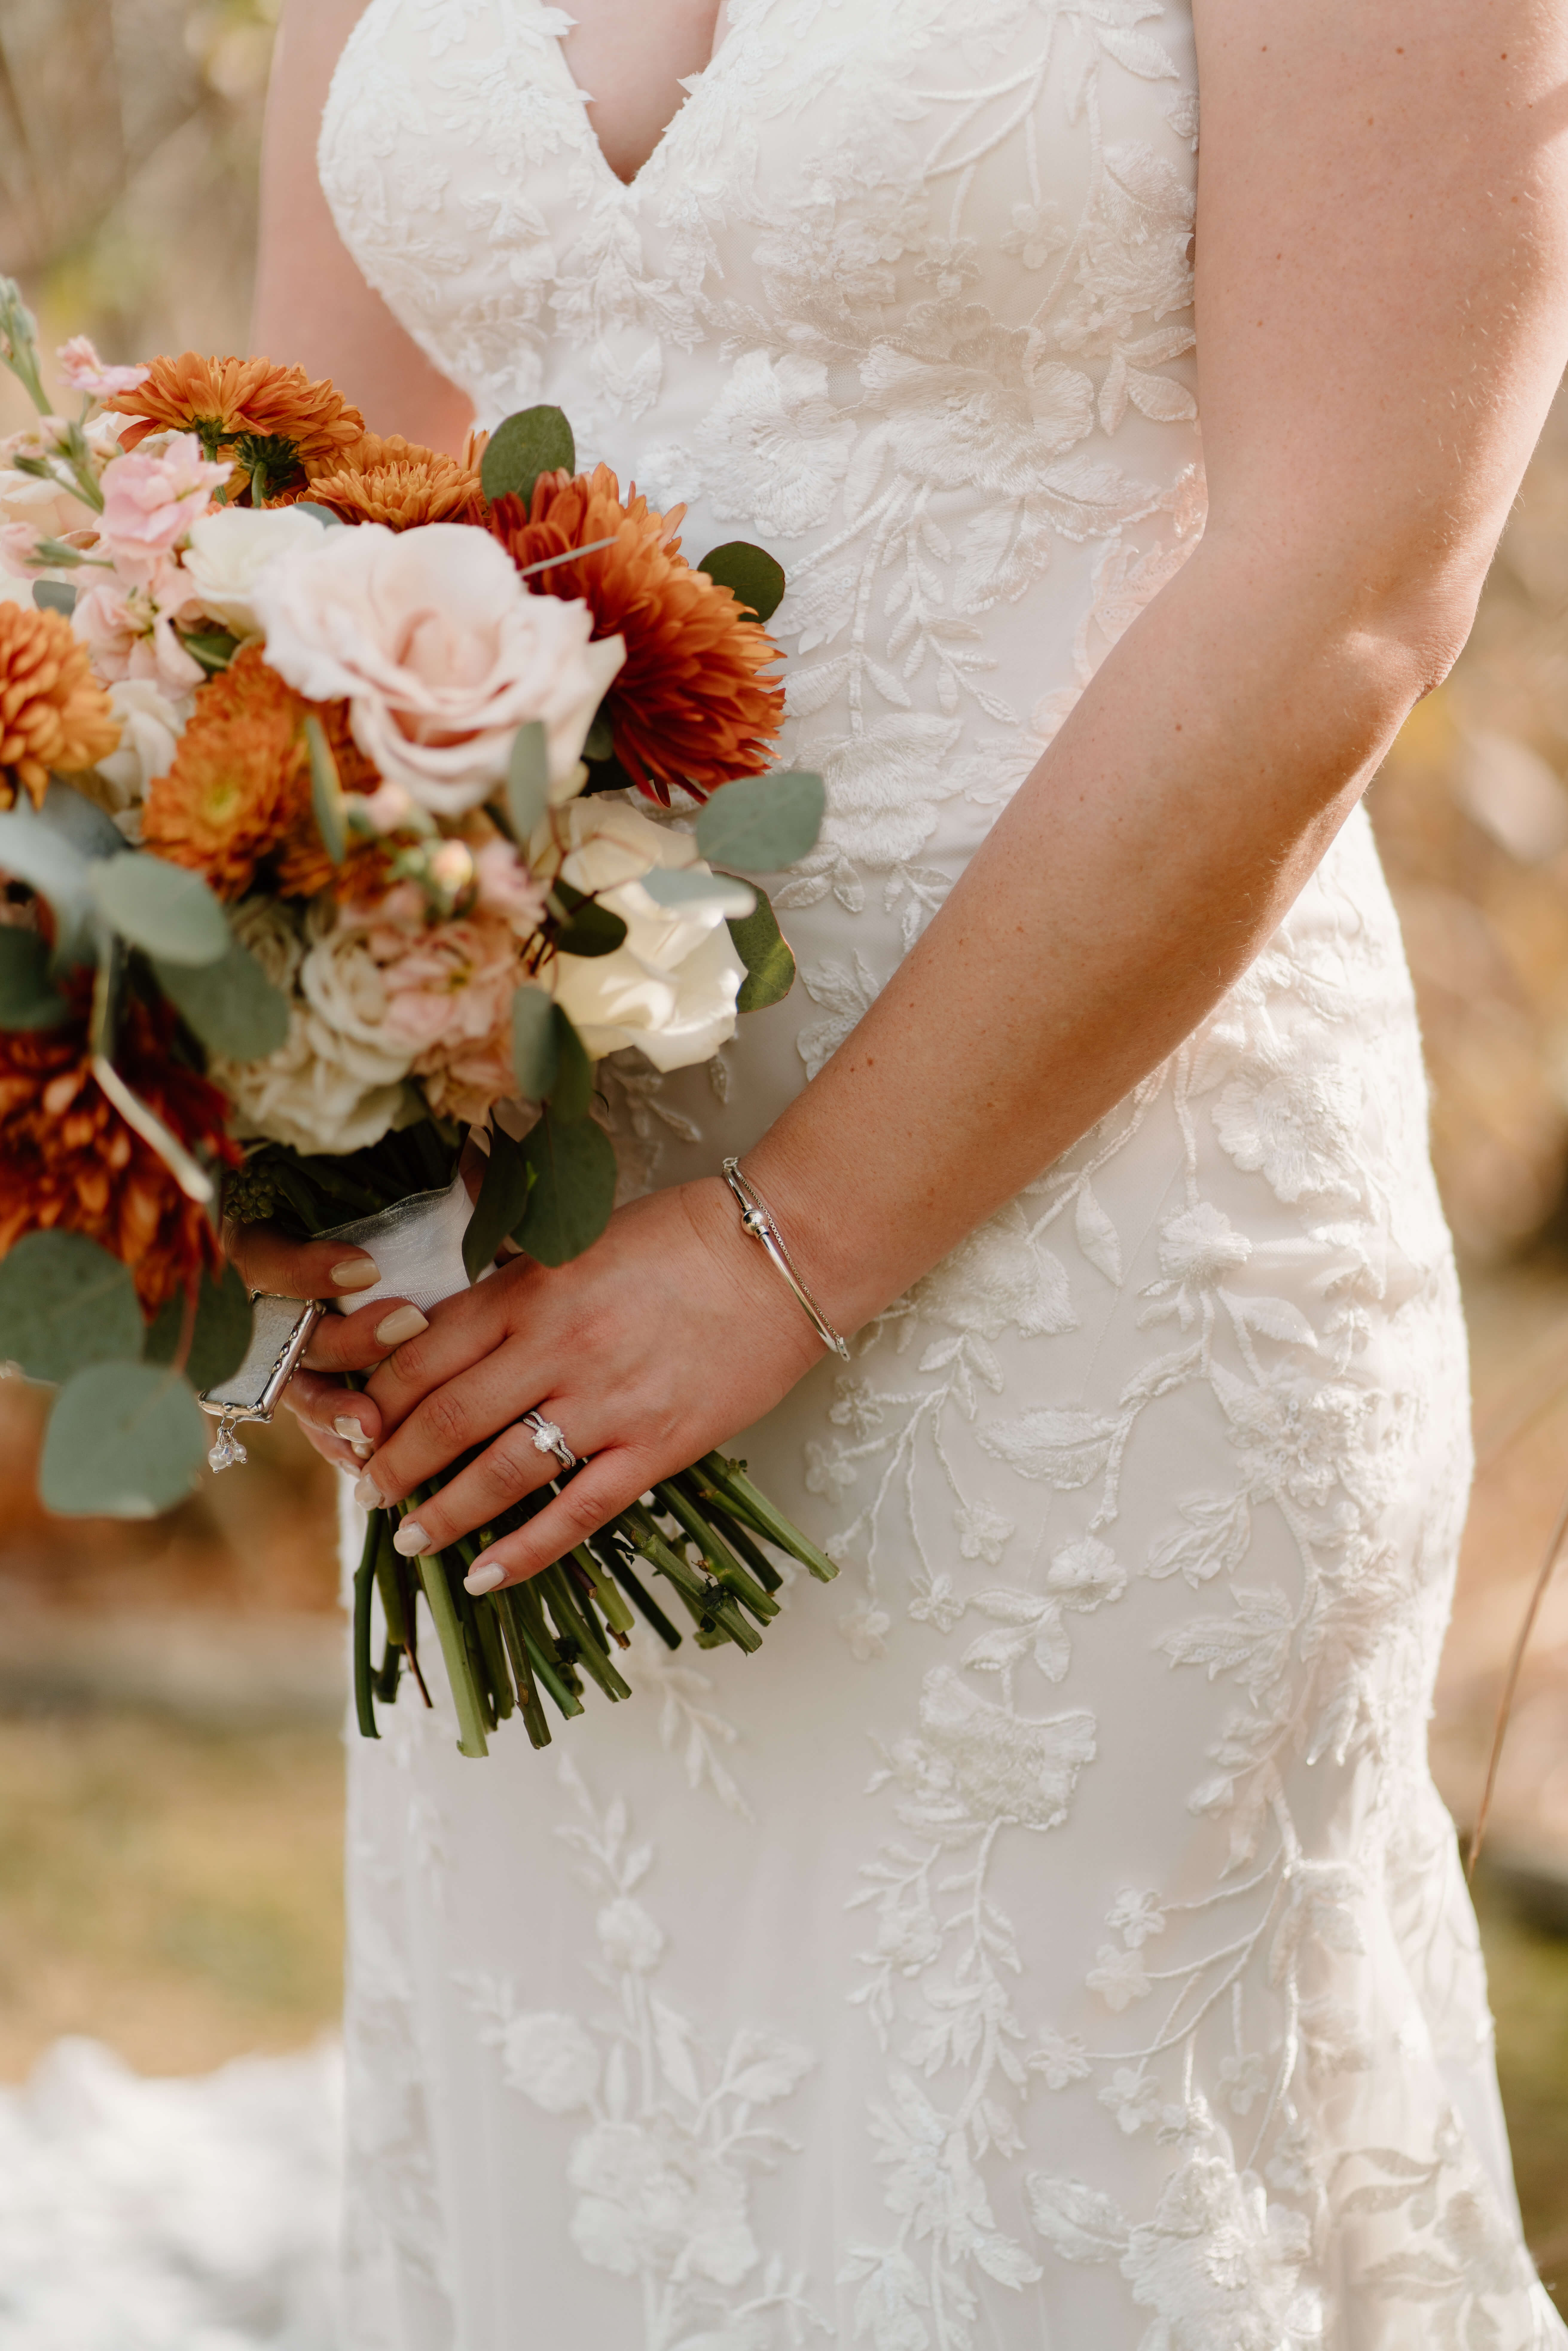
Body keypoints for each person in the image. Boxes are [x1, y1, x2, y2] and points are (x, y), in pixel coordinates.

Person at [236, 1, 1568, 2342]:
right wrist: (302, 1126)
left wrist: (784, 1244)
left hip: (1094, 1286)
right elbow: (311, 490)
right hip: (512, 1287)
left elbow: (1351, 571)